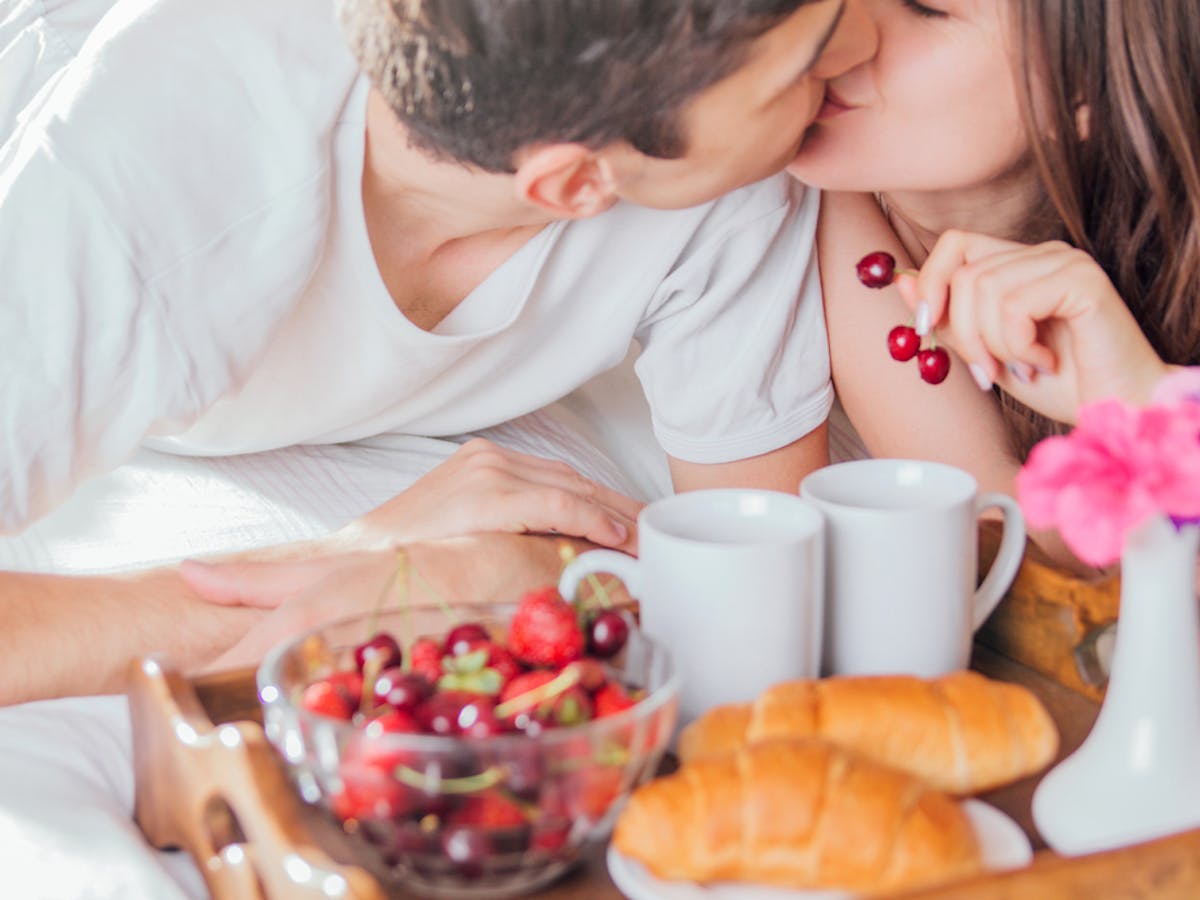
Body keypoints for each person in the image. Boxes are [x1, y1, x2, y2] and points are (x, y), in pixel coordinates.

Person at [0, 0, 880, 706]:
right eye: (803, 69)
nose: (866, 41)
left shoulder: (726, 172)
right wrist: (365, 572)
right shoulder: (136, 191)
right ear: (574, 185)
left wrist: (533, 572)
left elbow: (758, 570)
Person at [784, 0, 1191, 572]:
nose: (835, 30)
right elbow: (995, 521)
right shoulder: (805, 199)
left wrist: (1146, 406)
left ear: (1080, 88)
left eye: (925, 8)